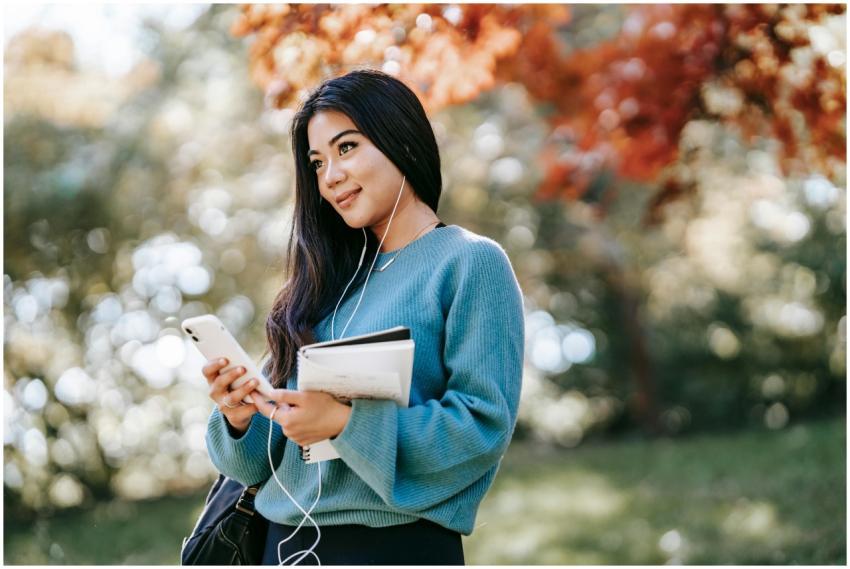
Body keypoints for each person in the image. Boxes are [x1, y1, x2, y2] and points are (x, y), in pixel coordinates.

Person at [201, 68, 524, 565]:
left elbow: (481, 428)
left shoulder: (468, 262)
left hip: (392, 547)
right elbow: (252, 465)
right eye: (317, 162)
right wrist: (241, 416)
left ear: (400, 138)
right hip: (280, 546)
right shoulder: (322, 284)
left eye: (346, 148)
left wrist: (345, 423)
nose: (330, 177)